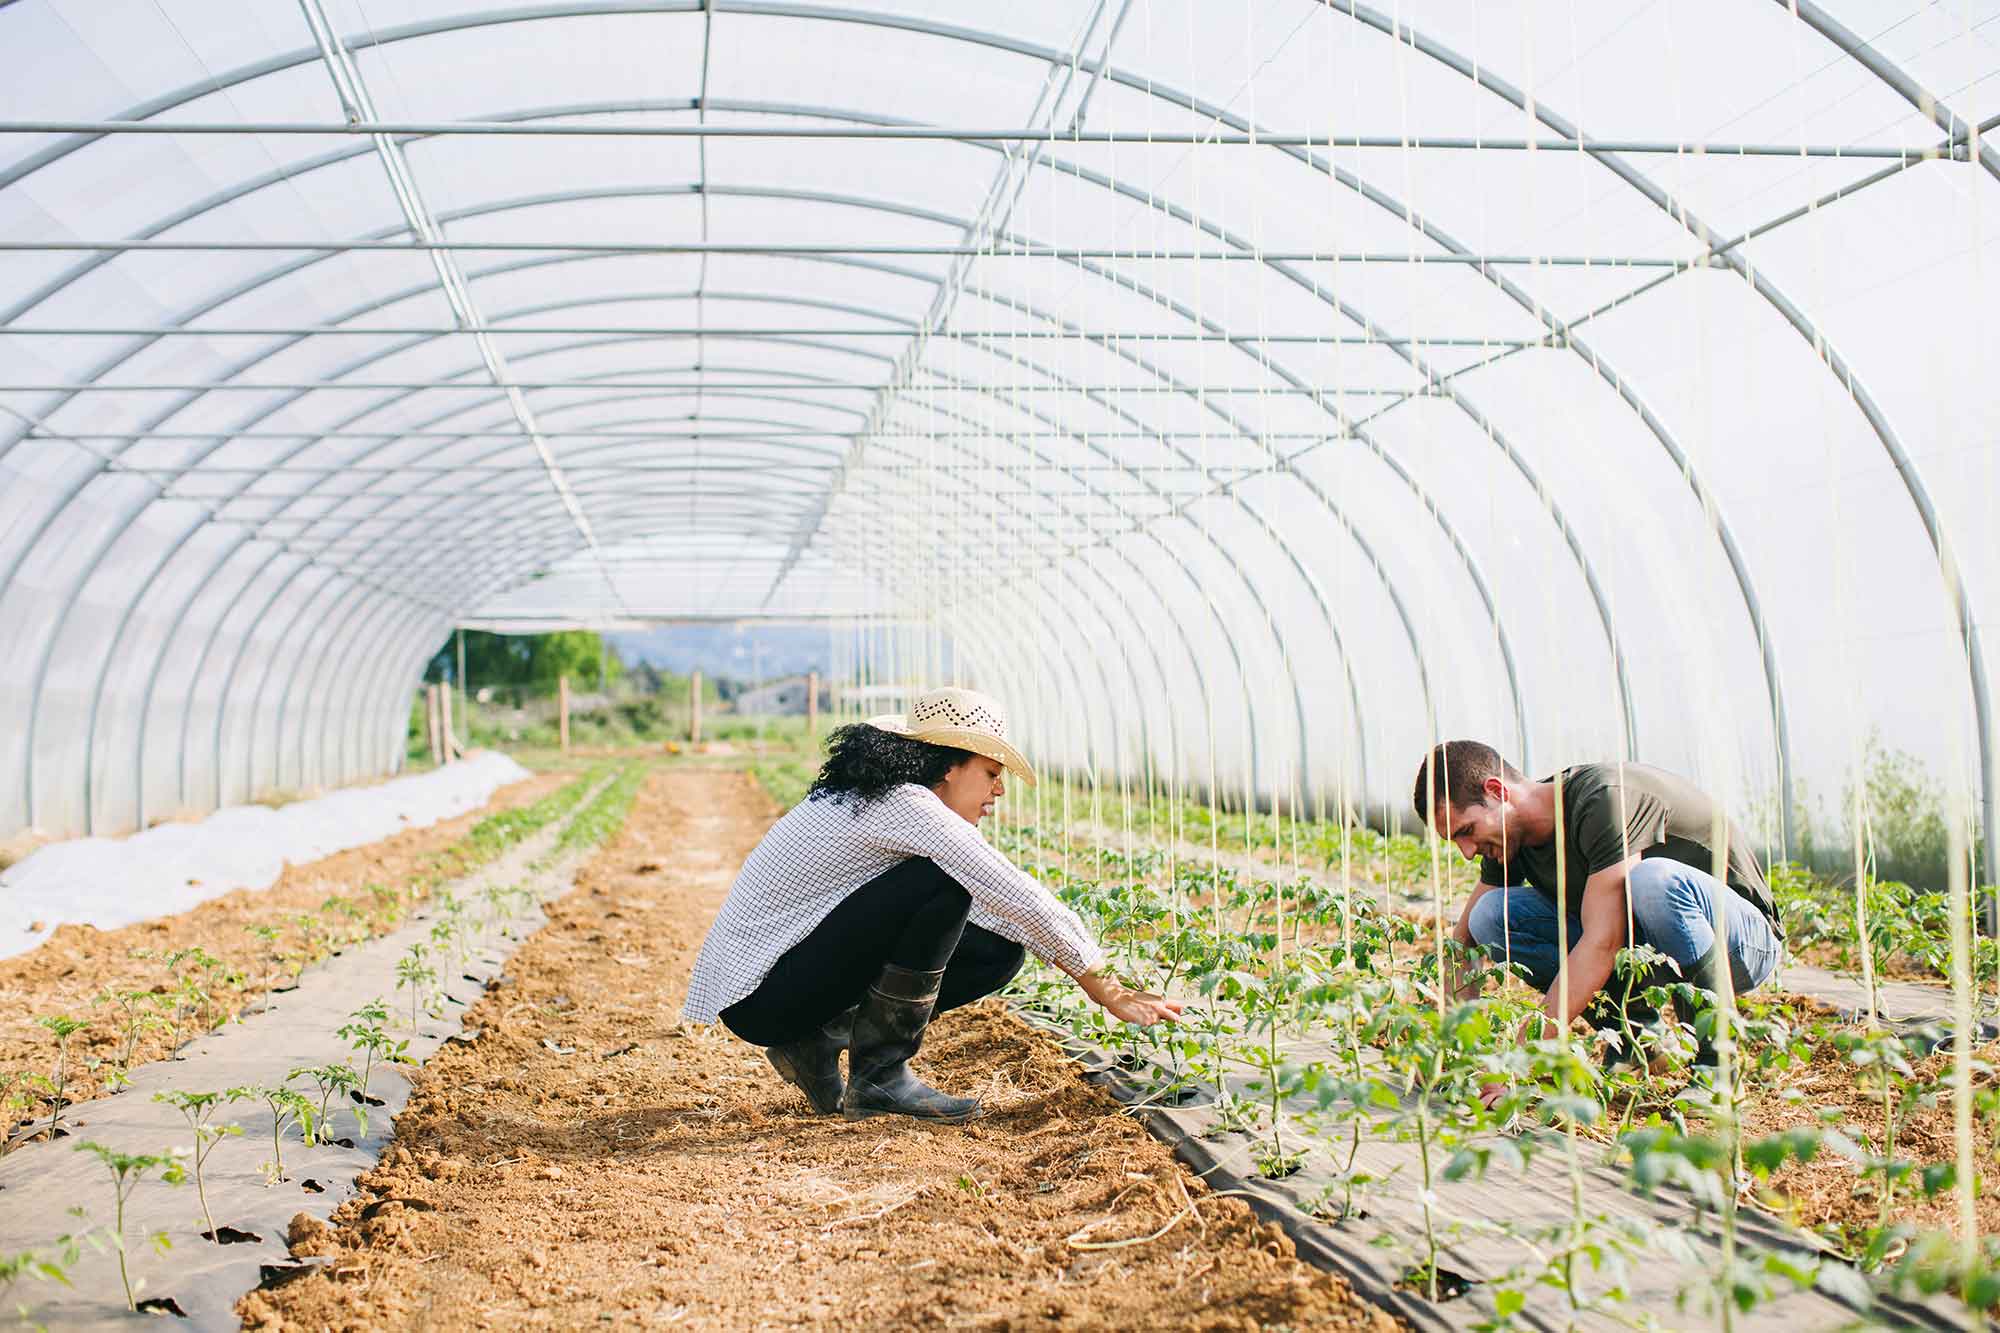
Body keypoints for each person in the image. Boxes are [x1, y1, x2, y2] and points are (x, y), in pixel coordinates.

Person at [684, 686, 1181, 1123]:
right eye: (990, 772)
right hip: (761, 996)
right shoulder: (905, 804)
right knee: (946, 881)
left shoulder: (886, 798)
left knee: (996, 950)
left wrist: (1069, 959)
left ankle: (816, 1044)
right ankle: (880, 1078)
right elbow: (1002, 885)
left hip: (776, 987)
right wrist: (1103, 986)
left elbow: (999, 909)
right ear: (948, 765)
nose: (999, 790)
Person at [1412, 741, 1785, 1086]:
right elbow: (1464, 939)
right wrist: (1459, 1049)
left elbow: (1602, 943)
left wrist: (1516, 1062)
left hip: (1740, 942)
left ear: (1497, 792)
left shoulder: (1603, 798)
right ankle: (1637, 1039)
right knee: (1490, 916)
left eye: (1467, 831)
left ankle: (1717, 1067)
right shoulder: (1511, 838)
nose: (1466, 851)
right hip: (1652, 952)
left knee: (1651, 881)